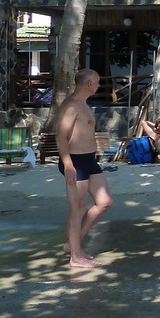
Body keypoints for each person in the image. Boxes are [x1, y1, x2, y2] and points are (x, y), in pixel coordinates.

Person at [56, 68, 114, 268]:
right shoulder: (71, 105)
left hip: (89, 160)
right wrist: (68, 164)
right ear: (89, 83)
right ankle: (75, 256)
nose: (98, 85)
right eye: (97, 82)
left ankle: (72, 244)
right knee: (77, 209)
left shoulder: (83, 104)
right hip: (75, 162)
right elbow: (61, 136)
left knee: (104, 202)